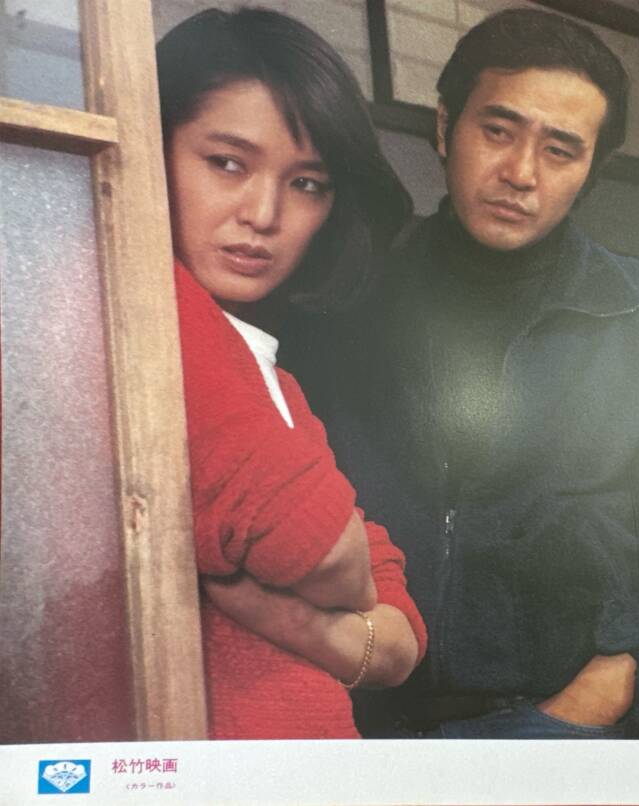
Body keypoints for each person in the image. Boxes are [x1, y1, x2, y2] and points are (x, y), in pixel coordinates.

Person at [286, 8, 639, 739]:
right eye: (498, 130)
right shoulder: (344, 298)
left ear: (591, 171)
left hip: (581, 732)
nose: (521, 173)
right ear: (445, 126)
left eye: (560, 150)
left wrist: (596, 700)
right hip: (357, 723)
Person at [157, 8, 426, 739]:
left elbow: (402, 639)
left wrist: (305, 624)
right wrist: (349, 614)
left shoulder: (272, 374)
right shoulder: (149, 307)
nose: (264, 213)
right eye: (227, 163)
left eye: (307, 183)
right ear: (153, 147)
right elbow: (333, 556)